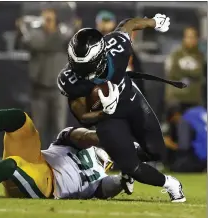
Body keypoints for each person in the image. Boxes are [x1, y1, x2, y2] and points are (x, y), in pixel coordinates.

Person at [57, 14, 186, 203]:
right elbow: (82, 116)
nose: (78, 70)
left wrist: (154, 23)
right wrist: (104, 112)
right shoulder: (70, 79)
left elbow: (129, 24)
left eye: (84, 65)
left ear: (99, 57)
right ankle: (171, 184)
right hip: (107, 118)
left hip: (131, 101)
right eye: (75, 63)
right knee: (132, 166)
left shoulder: (117, 46)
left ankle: (125, 151)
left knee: (157, 152)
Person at [0, 109, 127, 200]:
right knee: (19, 119)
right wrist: (102, 137)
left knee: (13, 165)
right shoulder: (80, 142)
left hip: (47, 185)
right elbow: (81, 136)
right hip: (38, 159)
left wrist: (124, 179)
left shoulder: (102, 176)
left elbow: (107, 188)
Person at [17, 8, 69, 149]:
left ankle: (58, 162)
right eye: (45, 18)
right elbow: (33, 43)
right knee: (38, 127)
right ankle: (38, 160)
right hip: (39, 88)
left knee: (58, 127)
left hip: (58, 89)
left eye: (50, 18)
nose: (47, 20)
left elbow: (62, 41)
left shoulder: (64, 34)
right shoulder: (36, 34)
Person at [164, 26, 205, 151]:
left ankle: (191, 157)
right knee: (173, 129)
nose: (190, 40)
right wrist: (191, 74)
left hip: (194, 100)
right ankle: (172, 157)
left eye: (193, 37)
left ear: (197, 39)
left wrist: (184, 73)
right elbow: (173, 73)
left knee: (194, 129)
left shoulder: (201, 56)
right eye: (188, 37)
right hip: (176, 99)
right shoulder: (176, 54)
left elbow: (200, 72)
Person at [170, 106, 207, 173]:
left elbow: (184, 146)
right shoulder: (202, 111)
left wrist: (170, 144)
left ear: (176, 114)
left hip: (200, 157)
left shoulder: (185, 118)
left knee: (177, 167)